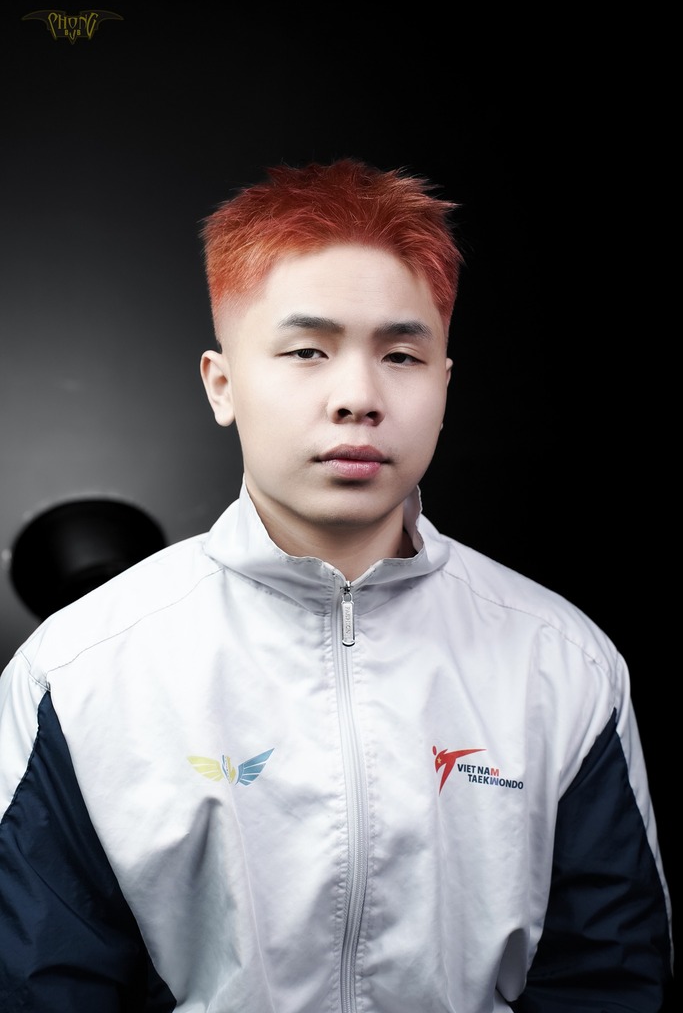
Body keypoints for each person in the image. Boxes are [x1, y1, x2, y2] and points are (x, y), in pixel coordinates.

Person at [0, 158, 673, 1012]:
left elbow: (608, 981)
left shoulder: (561, 660)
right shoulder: (80, 670)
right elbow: (43, 988)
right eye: (307, 351)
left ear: (442, 387)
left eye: (400, 354)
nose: (357, 396)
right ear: (222, 384)